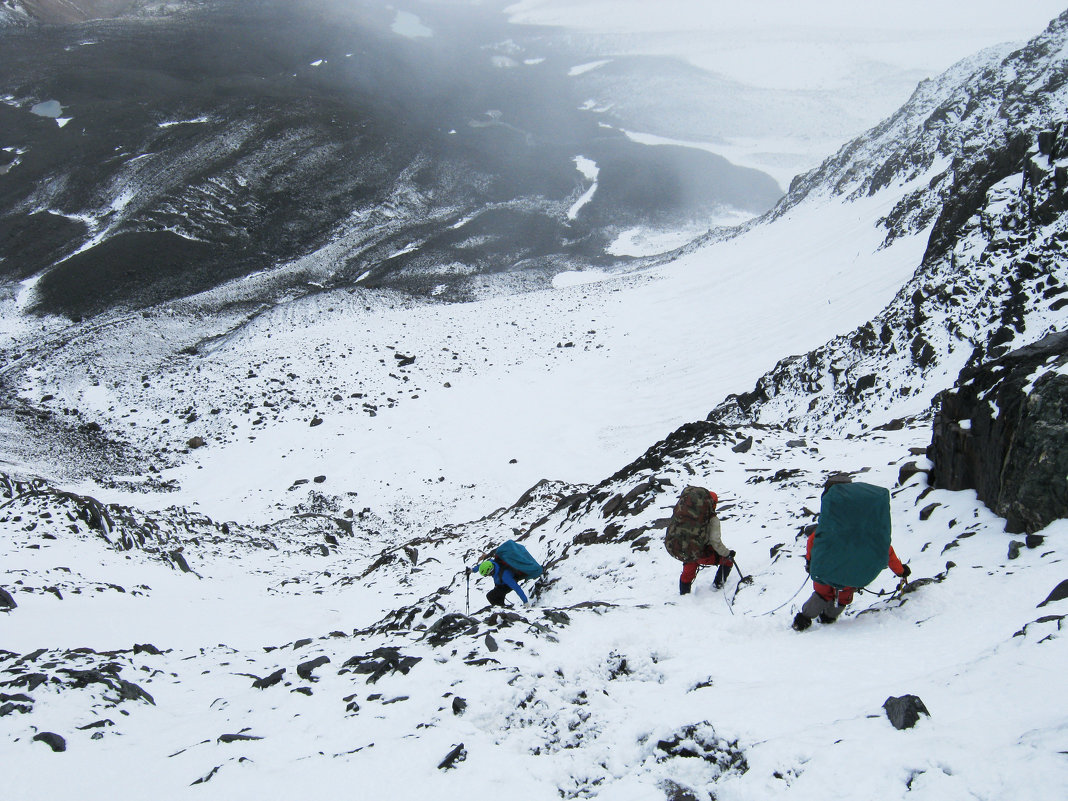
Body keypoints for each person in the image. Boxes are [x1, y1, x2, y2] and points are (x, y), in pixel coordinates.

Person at [792, 478, 910, 631]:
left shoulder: (829, 529)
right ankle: (829, 617)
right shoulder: (871, 534)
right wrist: (901, 571)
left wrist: (810, 562)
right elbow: (887, 552)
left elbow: (812, 543)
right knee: (843, 598)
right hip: (852, 575)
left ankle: (803, 619)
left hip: (825, 569)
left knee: (822, 594)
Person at [673, 489, 735, 595]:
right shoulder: (712, 520)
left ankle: (683, 595)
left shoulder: (686, 514)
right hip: (702, 554)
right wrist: (727, 554)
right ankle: (717, 586)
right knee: (728, 560)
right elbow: (715, 542)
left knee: (688, 573)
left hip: (686, 551)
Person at [471, 539, 543, 606]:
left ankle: (502, 609)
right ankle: (502, 608)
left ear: (491, 571)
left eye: (488, 574)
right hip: (500, 584)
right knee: (496, 595)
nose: (488, 576)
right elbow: (481, 566)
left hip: (506, 586)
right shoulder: (492, 563)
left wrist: (525, 602)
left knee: (491, 596)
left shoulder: (505, 575)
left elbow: (516, 588)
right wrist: (472, 570)